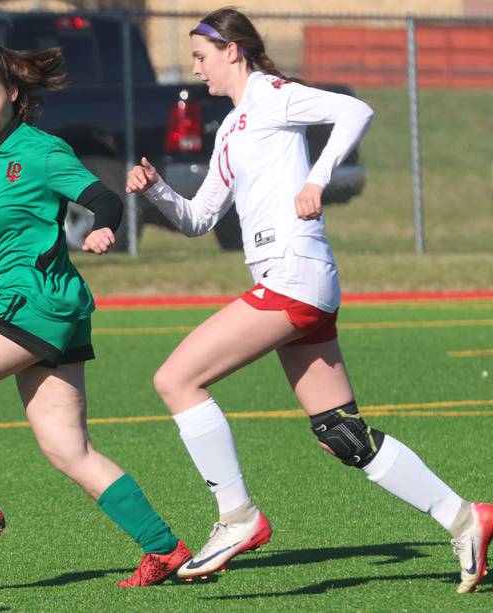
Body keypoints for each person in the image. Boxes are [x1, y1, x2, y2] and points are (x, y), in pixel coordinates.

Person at [127, 7, 492, 592]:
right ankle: (463, 517)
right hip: (300, 281)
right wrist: (159, 191)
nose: (196, 70)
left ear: (233, 52)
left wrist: (316, 179)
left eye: (200, 57)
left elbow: (355, 110)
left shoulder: (272, 95)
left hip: (293, 276)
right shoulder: (229, 128)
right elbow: (198, 219)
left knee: (176, 379)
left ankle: (237, 517)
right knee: (341, 433)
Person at [0, 41, 191, 588]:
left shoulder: (41, 151)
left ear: (11, 94)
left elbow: (102, 198)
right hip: (51, 306)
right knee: (67, 449)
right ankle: (165, 548)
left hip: (34, 302)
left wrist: (105, 227)